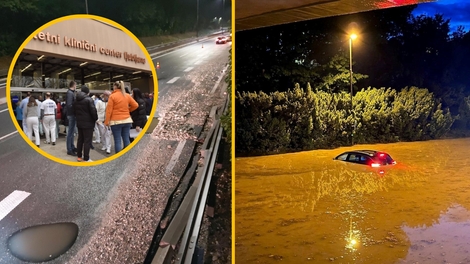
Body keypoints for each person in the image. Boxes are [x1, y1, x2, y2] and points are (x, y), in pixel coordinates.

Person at [105, 81, 138, 153]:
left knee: (117, 141)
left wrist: (106, 122)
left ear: (115, 87)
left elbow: (109, 110)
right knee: (126, 139)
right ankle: (127, 157)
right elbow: (135, 105)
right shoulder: (127, 95)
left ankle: (118, 158)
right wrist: (128, 110)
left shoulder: (112, 96)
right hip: (127, 120)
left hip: (115, 121)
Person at [73, 85, 98, 162]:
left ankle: (79, 156)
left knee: (80, 139)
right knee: (87, 141)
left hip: (79, 123)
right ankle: (86, 158)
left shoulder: (76, 100)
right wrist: (96, 119)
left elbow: (74, 111)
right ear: (87, 92)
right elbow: (93, 111)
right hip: (88, 123)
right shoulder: (89, 100)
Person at [66, 81, 78, 156]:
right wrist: (75, 110)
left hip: (71, 114)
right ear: (74, 86)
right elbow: (69, 105)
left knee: (72, 132)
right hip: (71, 115)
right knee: (70, 133)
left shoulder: (70, 93)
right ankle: (69, 149)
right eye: (76, 85)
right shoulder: (70, 93)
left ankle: (72, 146)